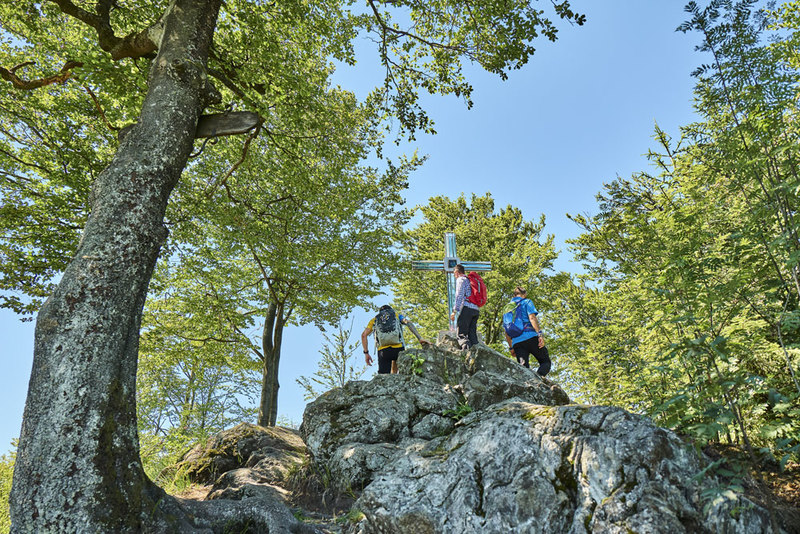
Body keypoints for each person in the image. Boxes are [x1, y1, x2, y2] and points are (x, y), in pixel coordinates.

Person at [362, 305, 429, 374]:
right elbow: (408, 322)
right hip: (398, 348)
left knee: (383, 376)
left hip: (383, 351)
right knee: (397, 371)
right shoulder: (396, 315)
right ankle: (394, 376)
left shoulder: (375, 319)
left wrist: (366, 353)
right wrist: (420, 338)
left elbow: (364, 335)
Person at [503, 286, 551, 376]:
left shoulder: (507, 308)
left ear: (514, 295)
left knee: (523, 368)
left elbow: (506, 329)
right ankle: (538, 379)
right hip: (531, 337)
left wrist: (511, 347)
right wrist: (540, 335)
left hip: (517, 343)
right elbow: (532, 318)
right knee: (545, 362)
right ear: (524, 294)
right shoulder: (527, 302)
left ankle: (529, 382)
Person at [450, 264, 479, 350]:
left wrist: (454, 311)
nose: (454, 276)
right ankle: (477, 352)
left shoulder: (461, 279)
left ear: (456, 272)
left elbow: (459, 296)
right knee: (472, 335)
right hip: (475, 310)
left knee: (461, 334)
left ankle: (465, 354)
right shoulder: (470, 280)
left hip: (467, 308)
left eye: (454, 274)